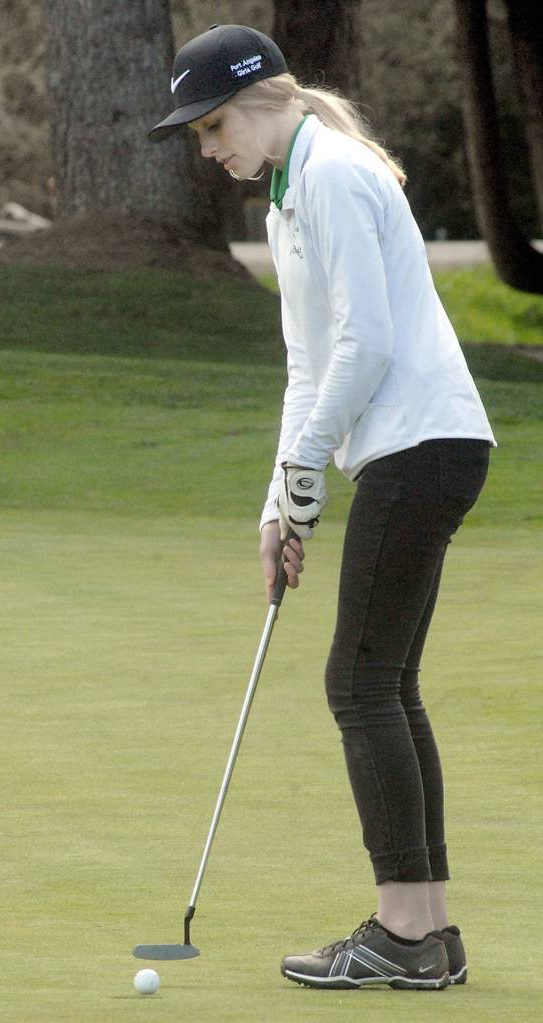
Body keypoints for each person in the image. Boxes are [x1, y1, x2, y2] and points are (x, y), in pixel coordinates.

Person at [149, 24, 495, 991]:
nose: (208, 146)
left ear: (266, 101)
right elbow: (309, 367)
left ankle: (403, 932)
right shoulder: (285, 199)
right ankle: (424, 930)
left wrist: (307, 473)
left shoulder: (334, 172)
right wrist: (279, 504)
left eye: (213, 123)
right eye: (197, 131)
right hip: (407, 448)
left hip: (420, 444)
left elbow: (369, 344)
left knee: (358, 686)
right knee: (384, 684)